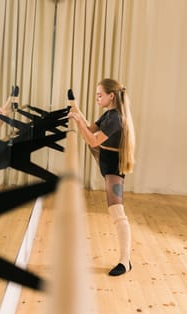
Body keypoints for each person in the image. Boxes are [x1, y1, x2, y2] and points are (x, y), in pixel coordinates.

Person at [68, 78, 135, 276]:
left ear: (111, 96)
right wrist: (74, 106)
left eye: (100, 95)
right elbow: (90, 130)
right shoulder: (109, 115)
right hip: (105, 160)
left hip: (113, 167)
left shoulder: (116, 119)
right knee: (116, 212)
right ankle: (125, 260)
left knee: (117, 212)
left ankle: (125, 261)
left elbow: (92, 139)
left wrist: (78, 120)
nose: (97, 98)